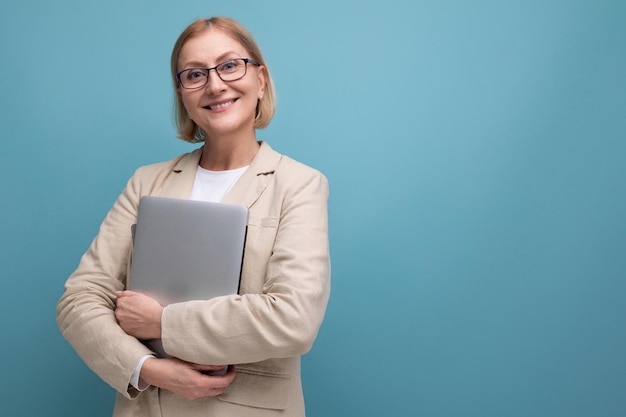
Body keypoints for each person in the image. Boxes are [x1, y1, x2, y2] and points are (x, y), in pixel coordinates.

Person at [56, 16, 330, 417]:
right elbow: (79, 299)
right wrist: (148, 368)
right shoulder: (146, 181)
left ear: (261, 79)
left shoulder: (299, 184)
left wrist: (163, 322)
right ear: (182, 93)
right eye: (195, 74)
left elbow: (293, 318)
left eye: (230, 65)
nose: (215, 84)